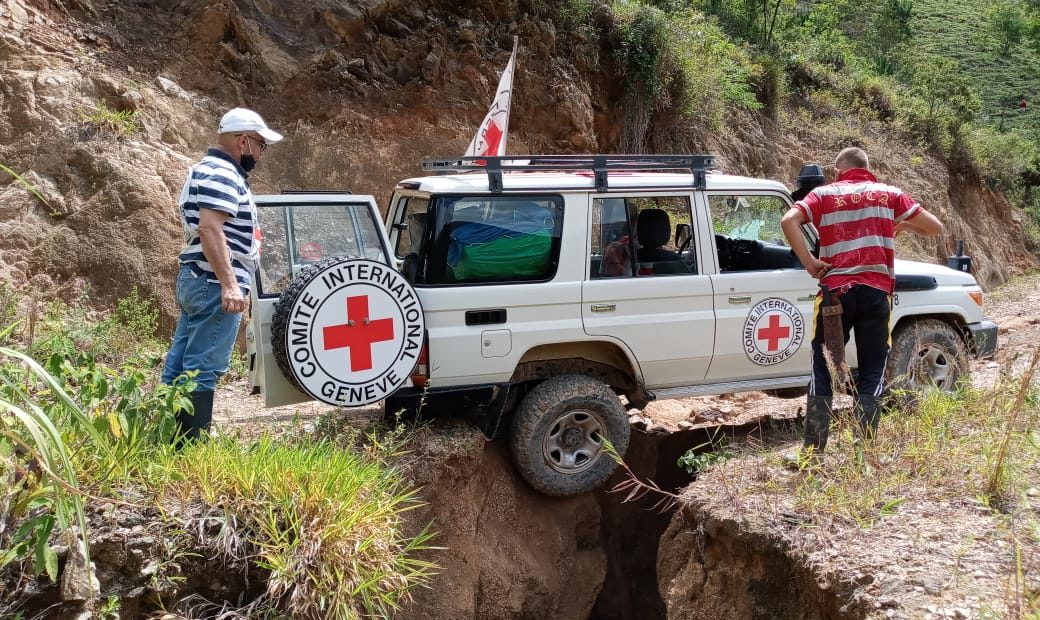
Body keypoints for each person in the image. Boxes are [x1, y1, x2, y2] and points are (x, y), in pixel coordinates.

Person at [780, 147, 943, 463]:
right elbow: (934, 226)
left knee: (823, 365)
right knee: (872, 368)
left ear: (839, 171)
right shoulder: (889, 194)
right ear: (868, 169)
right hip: (876, 294)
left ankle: (813, 453)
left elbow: (789, 220)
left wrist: (810, 263)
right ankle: (863, 453)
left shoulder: (826, 194)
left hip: (834, 295)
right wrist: (904, 225)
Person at [161, 107, 283, 445]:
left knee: (181, 362)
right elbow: (211, 229)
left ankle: (163, 437)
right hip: (213, 283)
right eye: (260, 145)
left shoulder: (208, 169)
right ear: (243, 141)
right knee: (204, 367)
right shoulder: (224, 175)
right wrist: (230, 284)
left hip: (199, 278)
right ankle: (190, 446)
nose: (260, 153)